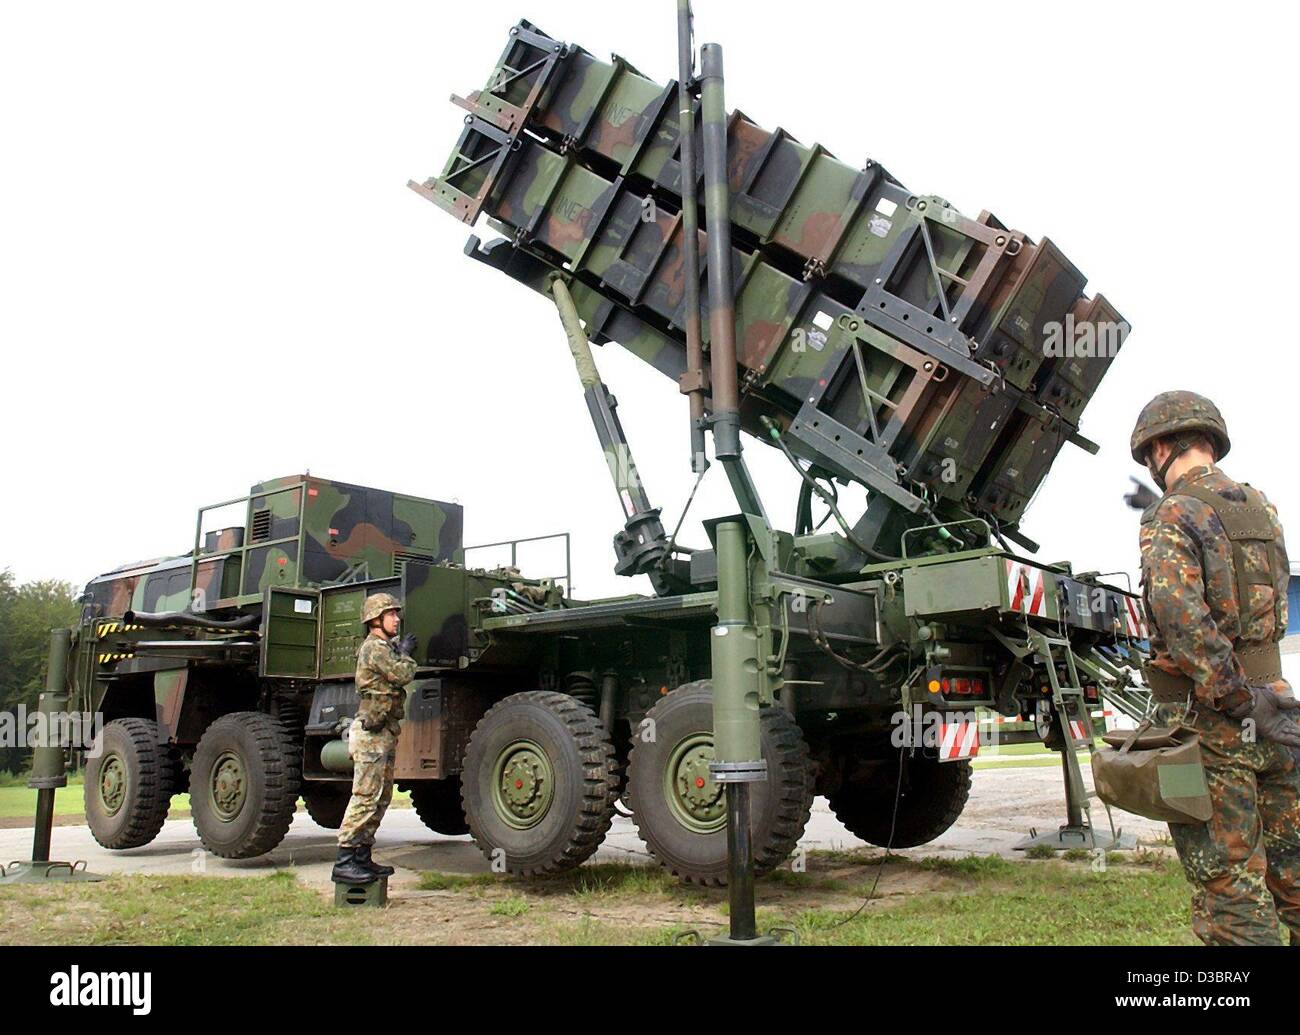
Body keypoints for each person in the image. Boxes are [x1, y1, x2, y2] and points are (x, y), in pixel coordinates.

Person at [1132, 390, 1300, 945]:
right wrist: (1260, 699)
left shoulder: (1171, 512)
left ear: (1160, 446)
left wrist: (1233, 698)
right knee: (1296, 876)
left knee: (1228, 887)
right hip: (1279, 711)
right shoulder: (1262, 507)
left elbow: (1181, 618)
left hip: (1210, 722)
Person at [330, 592, 417, 884]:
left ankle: (362, 857)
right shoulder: (376, 648)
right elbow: (403, 674)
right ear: (375, 620)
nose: (397, 619)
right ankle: (345, 860)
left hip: (384, 731)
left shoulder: (384, 646)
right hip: (372, 735)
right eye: (391, 614)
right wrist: (404, 652)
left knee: (381, 797)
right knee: (366, 796)